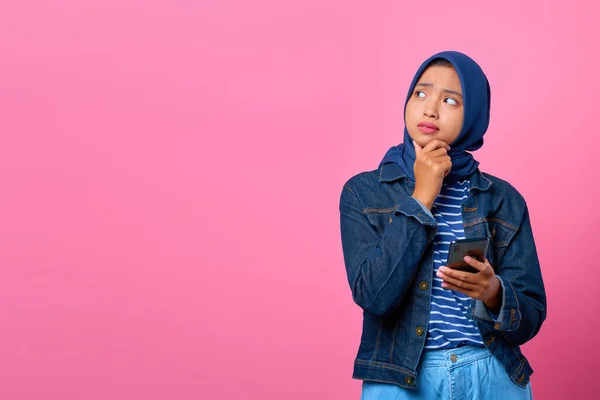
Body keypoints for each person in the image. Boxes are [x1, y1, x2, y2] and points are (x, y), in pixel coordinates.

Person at [338, 51, 546, 399]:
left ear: (474, 116)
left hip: (490, 373)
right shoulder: (362, 192)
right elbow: (373, 297)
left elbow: (531, 316)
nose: (430, 109)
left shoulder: (503, 199)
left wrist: (493, 292)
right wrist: (422, 197)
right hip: (400, 380)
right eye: (421, 93)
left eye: (450, 100)